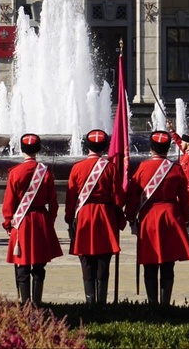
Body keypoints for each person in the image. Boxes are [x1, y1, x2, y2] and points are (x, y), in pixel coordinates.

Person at [125, 131, 189, 306]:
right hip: (171, 217)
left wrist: (130, 216)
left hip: (149, 218)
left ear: (151, 148)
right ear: (167, 147)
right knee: (168, 263)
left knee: (149, 263)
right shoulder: (176, 168)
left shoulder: (142, 168)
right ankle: (165, 303)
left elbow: (133, 196)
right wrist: (186, 218)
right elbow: (184, 198)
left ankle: (152, 303)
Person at [65, 129, 125, 305]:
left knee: (85, 258)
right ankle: (102, 301)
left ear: (87, 146)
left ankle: (89, 301)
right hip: (105, 216)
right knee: (104, 258)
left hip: (83, 216)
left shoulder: (77, 168)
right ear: (105, 146)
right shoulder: (111, 167)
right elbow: (118, 198)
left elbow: (71, 198)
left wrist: (69, 219)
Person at [2, 133, 63, 306]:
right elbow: (53, 201)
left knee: (22, 264)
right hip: (40, 220)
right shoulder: (45, 171)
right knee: (39, 264)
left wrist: (8, 224)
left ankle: (25, 303)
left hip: (21, 222)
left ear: (22, 149)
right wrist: (49, 221)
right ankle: (37, 302)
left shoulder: (15, 173)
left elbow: (9, 203)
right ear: (38, 149)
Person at [167, 120, 189, 241]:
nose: (180, 144)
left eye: (184, 142)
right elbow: (178, 141)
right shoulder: (184, 153)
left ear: (188, 144)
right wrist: (172, 130)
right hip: (183, 185)